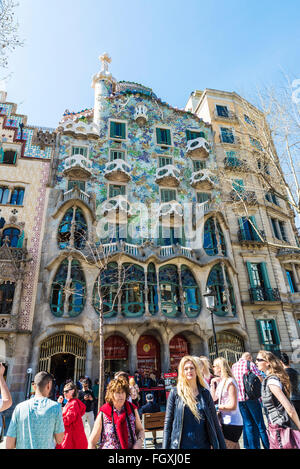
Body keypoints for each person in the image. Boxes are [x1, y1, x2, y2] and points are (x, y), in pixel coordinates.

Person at [163, 355, 226, 449]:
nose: (189, 371)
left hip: (203, 446)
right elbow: (168, 424)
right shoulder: (175, 393)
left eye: (192, 368)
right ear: (182, 372)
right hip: (181, 446)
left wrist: (222, 446)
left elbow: (215, 423)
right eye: (186, 369)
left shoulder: (205, 394)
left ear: (196, 370)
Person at [6, 371, 64, 449]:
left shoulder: (19, 408)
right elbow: (60, 439)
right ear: (49, 385)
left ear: (34, 386)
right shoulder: (56, 407)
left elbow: (9, 444)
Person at [256, 350, 300, 449]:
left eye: (259, 360)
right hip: (276, 426)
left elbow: (289, 408)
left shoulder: (272, 381)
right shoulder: (269, 379)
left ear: (267, 362)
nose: (256, 362)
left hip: (280, 427)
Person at [88, 377, 145, 449]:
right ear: (111, 394)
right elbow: (92, 442)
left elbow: (140, 430)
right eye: (118, 392)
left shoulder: (132, 409)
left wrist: (139, 442)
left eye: (123, 392)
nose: (121, 395)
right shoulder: (104, 412)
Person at [232, 352, 269, 449]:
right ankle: (267, 446)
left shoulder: (234, 366)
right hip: (251, 398)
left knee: (248, 425)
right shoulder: (250, 364)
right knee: (260, 425)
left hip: (240, 400)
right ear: (249, 358)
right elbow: (260, 377)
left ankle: (252, 447)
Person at [210, 357, 243, 449]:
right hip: (225, 421)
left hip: (232, 422)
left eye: (214, 366)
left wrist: (216, 407)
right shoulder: (222, 381)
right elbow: (214, 398)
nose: (212, 368)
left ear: (220, 367)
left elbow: (233, 405)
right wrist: (212, 384)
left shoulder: (230, 382)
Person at [56, 382, 88, 449]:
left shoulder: (73, 403)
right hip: (72, 436)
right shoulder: (72, 402)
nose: (64, 393)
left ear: (73, 391)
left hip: (70, 437)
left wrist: (58, 416)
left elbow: (68, 420)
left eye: (66, 391)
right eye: (64, 391)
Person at [280, 352, 300, 418]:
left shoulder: (282, 375)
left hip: (289, 401)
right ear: (289, 361)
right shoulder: (296, 372)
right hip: (298, 398)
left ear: (281, 362)